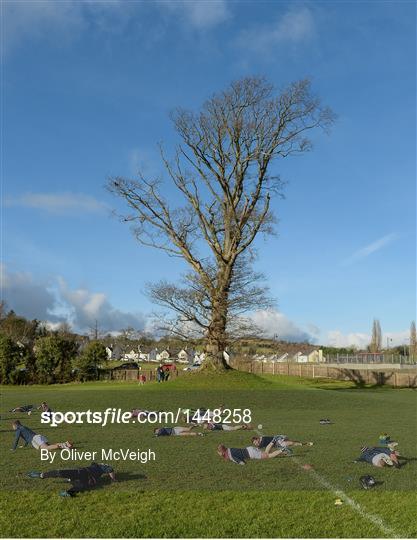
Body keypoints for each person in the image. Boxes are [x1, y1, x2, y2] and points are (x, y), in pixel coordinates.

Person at [27, 462, 116, 497]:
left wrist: (112, 479)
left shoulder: (98, 466)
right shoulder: (100, 467)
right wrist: (113, 479)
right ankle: (69, 491)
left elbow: (109, 470)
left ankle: (42, 475)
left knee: (61, 473)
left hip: (81, 472)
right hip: (84, 474)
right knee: (81, 485)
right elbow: (110, 470)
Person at [217, 443, 284, 464]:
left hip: (251, 454)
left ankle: (282, 450)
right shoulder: (229, 449)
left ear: (223, 452)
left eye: (219, 452)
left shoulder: (230, 456)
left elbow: (242, 463)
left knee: (268, 456)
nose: (218, 454)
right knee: (266, 453)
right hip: (249, 449)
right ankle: (284, 452)